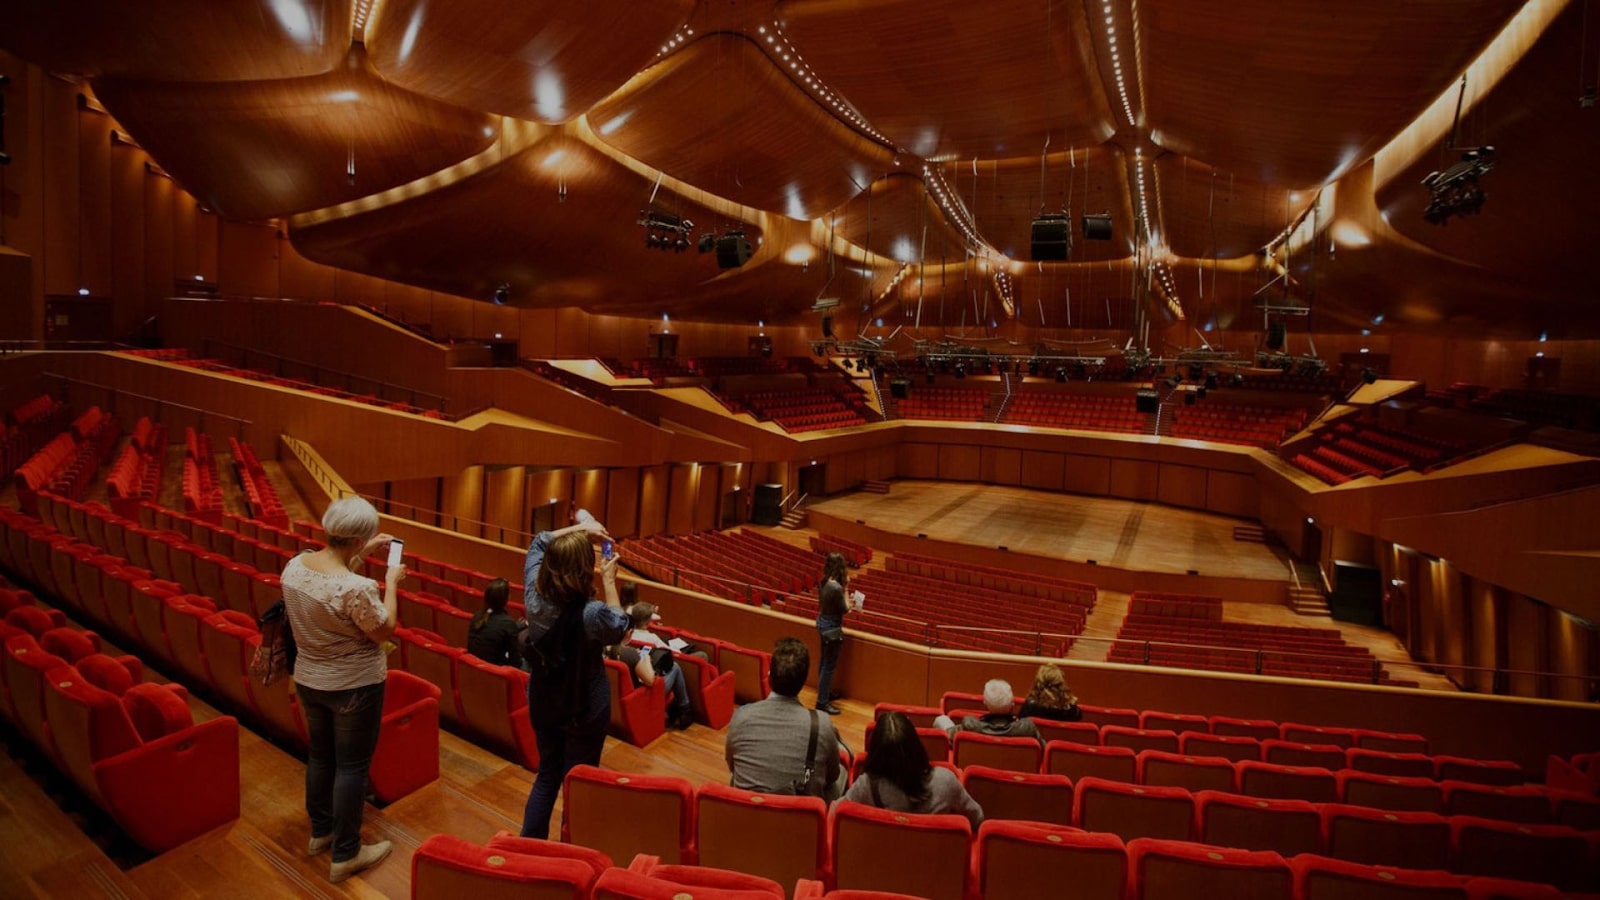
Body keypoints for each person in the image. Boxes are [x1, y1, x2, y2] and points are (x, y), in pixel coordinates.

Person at [280, 496, 403, 883]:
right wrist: (392, 585)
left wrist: (361, 549)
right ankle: (346, 854)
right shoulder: (359, 587)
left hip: (309, 679)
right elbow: (383, 629)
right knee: (352, 767)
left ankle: (322, 833)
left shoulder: (293, 566)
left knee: (320, 757)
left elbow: (330, 579)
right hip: (354, 687)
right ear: (355, 539)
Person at [518, 511, 629, 839]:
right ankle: (570, 849)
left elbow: (539, 540)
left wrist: (582, 528)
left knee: (547, 775)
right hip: (584, 708)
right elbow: (620, 627)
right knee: (577, 783)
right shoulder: (591, 614)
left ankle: (529, 846)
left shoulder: (533, 596)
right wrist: (609, 580)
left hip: (544, 701)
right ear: (585, 570)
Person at [725, 637, 846, 800]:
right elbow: (832, 775)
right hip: (798, 815)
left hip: (748, 813)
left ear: (769, 678)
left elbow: (732, 765)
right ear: (803, 682)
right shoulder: (821, 724)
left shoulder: (741, 716)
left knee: (734, 779)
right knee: (841, 774)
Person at [843, 711, 983, 829]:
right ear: (916, 746)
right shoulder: (946, 781)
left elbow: (837, 813)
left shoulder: (866, 785)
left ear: (874, 751)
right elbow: (976, 818)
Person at [608, 640, 694, 730]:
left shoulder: (606, 651)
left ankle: (674, 709)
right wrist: (647, 659)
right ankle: (685, 710)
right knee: (675, 667)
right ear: (629, 633)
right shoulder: (629, 653)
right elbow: (650, 681)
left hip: (618, 698)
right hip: (641, 698)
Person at [814, 552, 860, 715]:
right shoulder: (836, 587)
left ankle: (823, 693)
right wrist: (846, 588)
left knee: (824, 662)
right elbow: (845, 609)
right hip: (831, 628)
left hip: (822, 623)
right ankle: (822, 702)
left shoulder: (825, 581)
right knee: (829, 667)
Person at [933, 678, 1041, 743]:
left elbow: (949, 734)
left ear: (985, 704)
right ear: (1013, 705)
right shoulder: (1027, 728)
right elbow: (1043, 749)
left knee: (941, 719)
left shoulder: (970, 725)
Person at [466, 578, 522, 669]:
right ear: (507, 599)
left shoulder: (477, 617)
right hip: (495, 672)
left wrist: (515, 627)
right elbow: (515, 662)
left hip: (474, 670)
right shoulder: (507, 623)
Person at [1018, 663, 1082, 722]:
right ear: (1061, 683)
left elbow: (1020, 724)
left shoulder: (1030, 706)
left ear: (1038, 682)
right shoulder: (1072, 710)